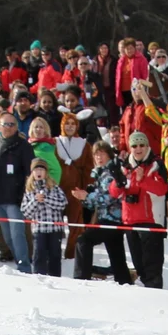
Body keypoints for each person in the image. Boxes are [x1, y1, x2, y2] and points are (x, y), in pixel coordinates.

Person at [109, 131, 167, 288]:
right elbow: (115, 193)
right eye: (134, 145)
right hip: (130, 221)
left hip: (151, 221)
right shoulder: (125, 166)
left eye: (142, 145)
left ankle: (156, 297)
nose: (138, 149)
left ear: (147, 146)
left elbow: (162, 189)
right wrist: (118, 182)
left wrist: (143, 180)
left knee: (152, 267)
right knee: (139, 265)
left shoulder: (156, 164)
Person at [72, 140, 132, 284]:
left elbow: (109, 198)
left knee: (83, 241)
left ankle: (81, 278)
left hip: (112, 219)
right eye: (96, 154)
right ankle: (125, 282)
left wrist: (87, 196)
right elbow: (97, 202)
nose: (99, 157)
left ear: (109, 155)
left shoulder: (110, 173)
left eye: (102, 153)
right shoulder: (101, 174)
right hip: (109, 219)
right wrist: (85, 197)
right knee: (116, 255)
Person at [0, 111, 34, 273]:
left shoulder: (23, 146)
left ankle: (24, 266)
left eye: (12, 124)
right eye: (5, 124)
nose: (8, 127)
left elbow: (31, 173)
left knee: (17, 234)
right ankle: (19, 260)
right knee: (7, 237)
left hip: (16, 199)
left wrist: (26, 195)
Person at [55, 111, 94, 259]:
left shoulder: (84, 145)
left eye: (73, 124)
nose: (70, 126)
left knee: (76, 223)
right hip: (58, 190)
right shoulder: (55, 142)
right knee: (55, 224)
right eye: (67, 123)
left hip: (75, 190)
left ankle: (72, 253)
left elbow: (88, 169)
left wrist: (85, 189)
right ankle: (54, 252)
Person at [20, 158, 67, 276]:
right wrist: (35, 200)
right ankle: (38, 279)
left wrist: (46, 199)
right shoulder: (29, 190)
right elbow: (25, 211)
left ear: (46, 172)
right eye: (36, 170)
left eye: (41, 169)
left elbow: (63, 203)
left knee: (55, 256)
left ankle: (55, 278)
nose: (39, 172)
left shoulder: (54, 188)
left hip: (54, 229)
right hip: (39, 230)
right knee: (39, 256)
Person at [115, 38, 149, 111]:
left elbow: (145, 76)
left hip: (136, 91)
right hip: (123, 91)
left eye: (131, 48)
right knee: (126, 112)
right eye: (127, 49)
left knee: (136, 110)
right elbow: (118, 77)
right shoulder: (121, 60)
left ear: (135, 48)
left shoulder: (141, 59)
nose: (129, 50)